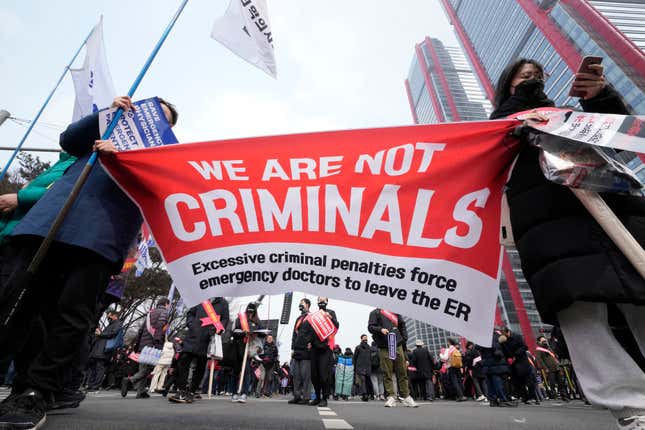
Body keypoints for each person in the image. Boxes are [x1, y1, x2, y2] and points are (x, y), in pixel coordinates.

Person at [0, 96, 178, 428]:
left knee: (69, 315)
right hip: (46, 226)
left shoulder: (159, 158)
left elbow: (160, 191)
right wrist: (106, 114)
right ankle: (17, 381)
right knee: (19, 305)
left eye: (160, 119)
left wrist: (125, 159)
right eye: (146, 110)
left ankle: (35, 391)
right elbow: (68, 140)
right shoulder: (104, 128)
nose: (148, 118)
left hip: (98, 238)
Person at [491, 57, 645, 428]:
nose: (532, 80)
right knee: (580, 313)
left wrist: (602, 98)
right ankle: (630, 407)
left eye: (537, 77)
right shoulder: (499, 125)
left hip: (612, 211)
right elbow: (497, 146)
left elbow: (619, 141)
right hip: (549, 225)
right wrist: (523, 107)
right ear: (508, 86)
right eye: (523, 77)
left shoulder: (569, 116)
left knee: (641, 300)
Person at [169, 297, 229, 404]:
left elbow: (225, 319)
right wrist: (191, 324)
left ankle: (191, 392)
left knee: (200, 367)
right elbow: (190, 313)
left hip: (208, 338)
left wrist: (219, 329)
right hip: (192, 336)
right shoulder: (199, 298)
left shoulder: (223, 302)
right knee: (183, 362)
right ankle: (181, 390)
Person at [367, 308, 417, 408]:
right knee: (387, 372)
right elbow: (370, 327)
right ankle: (391, 397)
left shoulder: (395, 311)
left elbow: (402, 325)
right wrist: (380, 329)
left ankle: (406, 396)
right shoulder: (375, 312)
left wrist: (404, 339)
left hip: (397, 344)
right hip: (384, 346)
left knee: (402, 371)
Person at [122, 298, 170, 399]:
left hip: (143, 344)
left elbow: (141, 330)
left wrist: (137, 344)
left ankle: (141, 391)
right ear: (166, 304)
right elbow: (160, 325)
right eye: (168, 305)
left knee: (143, 367)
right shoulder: (164, 312)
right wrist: (157, 340)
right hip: (153, 344)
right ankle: (130, 380)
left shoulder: (150, 313)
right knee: (149, 368)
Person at [231, 302, 264, 403]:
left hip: (249, 349)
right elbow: (234, 331)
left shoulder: (257, 321)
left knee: (246, 372)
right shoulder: (240, 319)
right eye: (249, 311)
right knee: (235, 372)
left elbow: (262, 333)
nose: (250, 313)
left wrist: (255, 333)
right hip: (238, 347)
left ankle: (244, 393)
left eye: (252, 311)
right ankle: (234, 393)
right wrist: (242, 333)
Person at [309, 297, 339, 407]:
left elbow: (336, 326)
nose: (321, 302)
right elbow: (310, 329)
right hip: (314, 347)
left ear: (327, 302)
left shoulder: (331, 313)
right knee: (314, 374)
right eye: (319, 300)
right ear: (317, 302)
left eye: (323, 300)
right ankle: (317, 397)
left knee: (324, 374)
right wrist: (308, 342)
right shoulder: (314, 315)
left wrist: (330, 317)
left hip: (326, 347)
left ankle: (324, 397)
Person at [498, 327, 538, 405]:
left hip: (522, 362)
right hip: (513, 364)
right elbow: (504, 352)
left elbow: (525, 347)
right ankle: (525, 398)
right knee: (518, 383)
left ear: (508, 332)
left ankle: (532, 397)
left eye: (504, 334)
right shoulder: (503, 341)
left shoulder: (517, 337)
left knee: (529, 381)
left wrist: (516, 354)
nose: (503, 336)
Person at [86, 310, 122, 391]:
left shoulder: (117, 324)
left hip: (103, 350)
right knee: (94, 367)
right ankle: (91, 385)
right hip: (99, 349)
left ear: (114, 316)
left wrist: (100, 334)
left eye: (109, 315)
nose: (108, 317)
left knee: (99, 367)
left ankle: (95, 386)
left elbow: (112, 333)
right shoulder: (111, 324)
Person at [288, 298, 314, 405]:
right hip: (297, 350)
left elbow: (314, 332)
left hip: (306, 350)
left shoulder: (311, 317)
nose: (300, 305)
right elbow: (294, 334)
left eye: (302, 304)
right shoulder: (298, 318)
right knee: (296, 375)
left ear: (307, 305)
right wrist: (292, 348)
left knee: (306, 375)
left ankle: (306, 397)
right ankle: (297, 396)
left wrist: (311, 342)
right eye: (299, 304)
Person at [480, 331, 515, 408]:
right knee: (498, 382)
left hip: (487, 363)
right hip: (495, 362)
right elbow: (496, 350)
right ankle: (503, 400)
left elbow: (479, 348)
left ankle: (493, 400)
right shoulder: (493, 336)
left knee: (490, 383)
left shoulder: (481, 337)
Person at [534, 335, 568, 401]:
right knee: (552, 383)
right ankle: (554, 396)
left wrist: (559, 366)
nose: (545, 342)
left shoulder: (548, 348)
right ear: (539, 342)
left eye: (545, 340)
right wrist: (545, 368)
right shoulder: (538, 349)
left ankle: (564, 395)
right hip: (549, 369)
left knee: (561, 382)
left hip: (556, 367)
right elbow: (539, 360)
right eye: (543, 341)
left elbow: (554, 357)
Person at [353, 334, 372, 401]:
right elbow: (355, 358)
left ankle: (366, 394)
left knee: (365, 381)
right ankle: (365, 395)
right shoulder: (358, 347)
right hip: (361, 367)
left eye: (366, 338)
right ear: (361, 339)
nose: (366, 339)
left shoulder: (369, 347)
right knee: (363, 381)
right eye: (364, 338)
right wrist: (355, 367)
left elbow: (370, 358)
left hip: (366, 367)